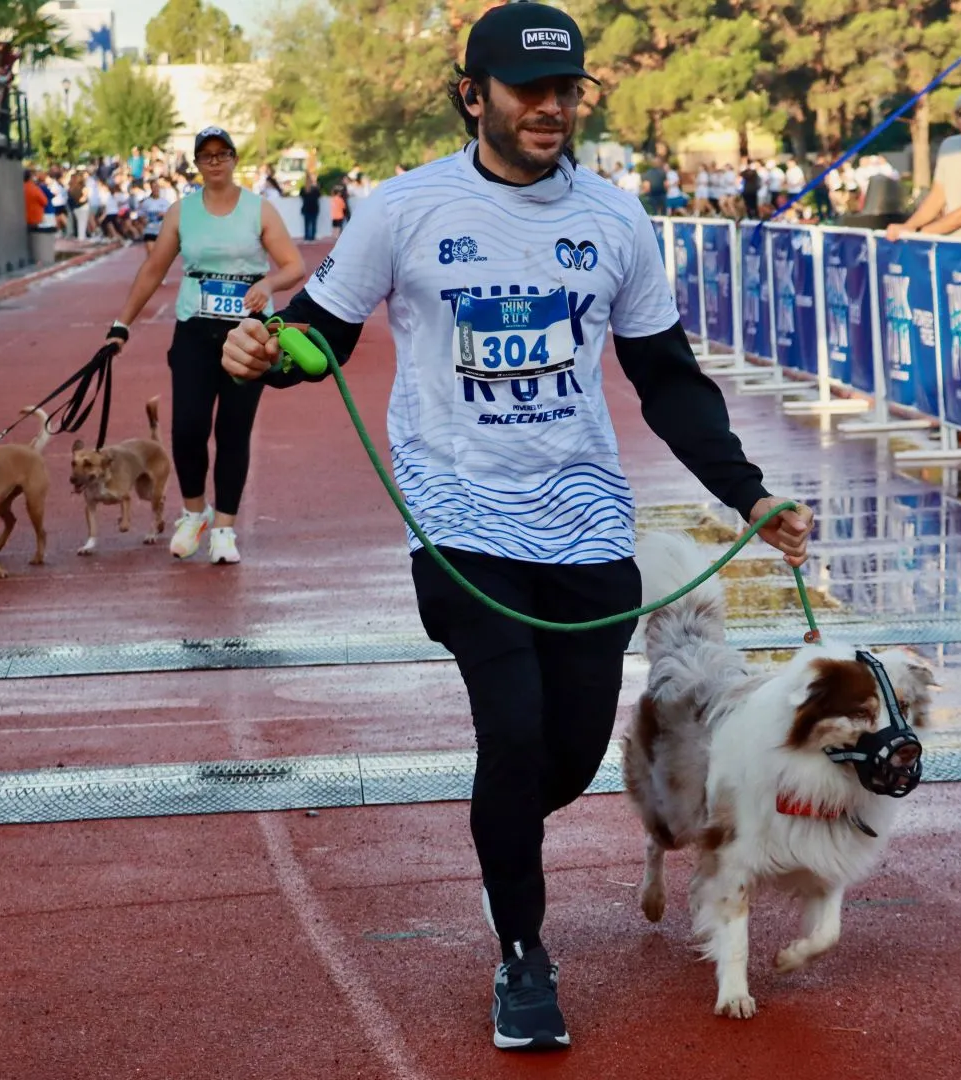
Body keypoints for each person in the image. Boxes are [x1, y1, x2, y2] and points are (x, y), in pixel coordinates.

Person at [220, 2, 813, 1051]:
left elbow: (666, 379)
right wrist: (267, 351)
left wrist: (748, 492)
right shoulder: (403, 210)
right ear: (472, 95)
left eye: (566, 89)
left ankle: (505, 842)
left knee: (572, 759)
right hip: (457, 521)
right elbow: (322, 333)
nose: (551, 107)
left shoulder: (616, 220)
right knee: (515, 729)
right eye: (529, 89)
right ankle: (524, 957)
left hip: (587, 528)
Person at [102, 126, 306, 565]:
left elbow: (294, 266)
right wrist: (122, 324)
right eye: (206, 156)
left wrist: (267, 282)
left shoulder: (258, 210)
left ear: (234, 159)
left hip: (248, 336)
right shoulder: (182, 212)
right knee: (189, 428)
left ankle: (225, 529)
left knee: (233, 432)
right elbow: (153, 270)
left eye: (223, 154)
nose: (215, 162)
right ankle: (195, 513)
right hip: (195, 330)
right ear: (197, 164)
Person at [886, 89, 961, 240]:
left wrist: (920, 234)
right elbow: (937, 196)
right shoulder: (949, 146)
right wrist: (909, 226)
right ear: (956, 120)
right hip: (952, 243)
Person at [299, 172, 322, 242]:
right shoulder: (314, 188)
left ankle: (307, 237)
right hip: (313, 208)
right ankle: (311, 237)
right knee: (313, 223)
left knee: (307, 223)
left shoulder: (304, 188)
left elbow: (301, 196)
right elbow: (318, 196)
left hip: (307, 208)